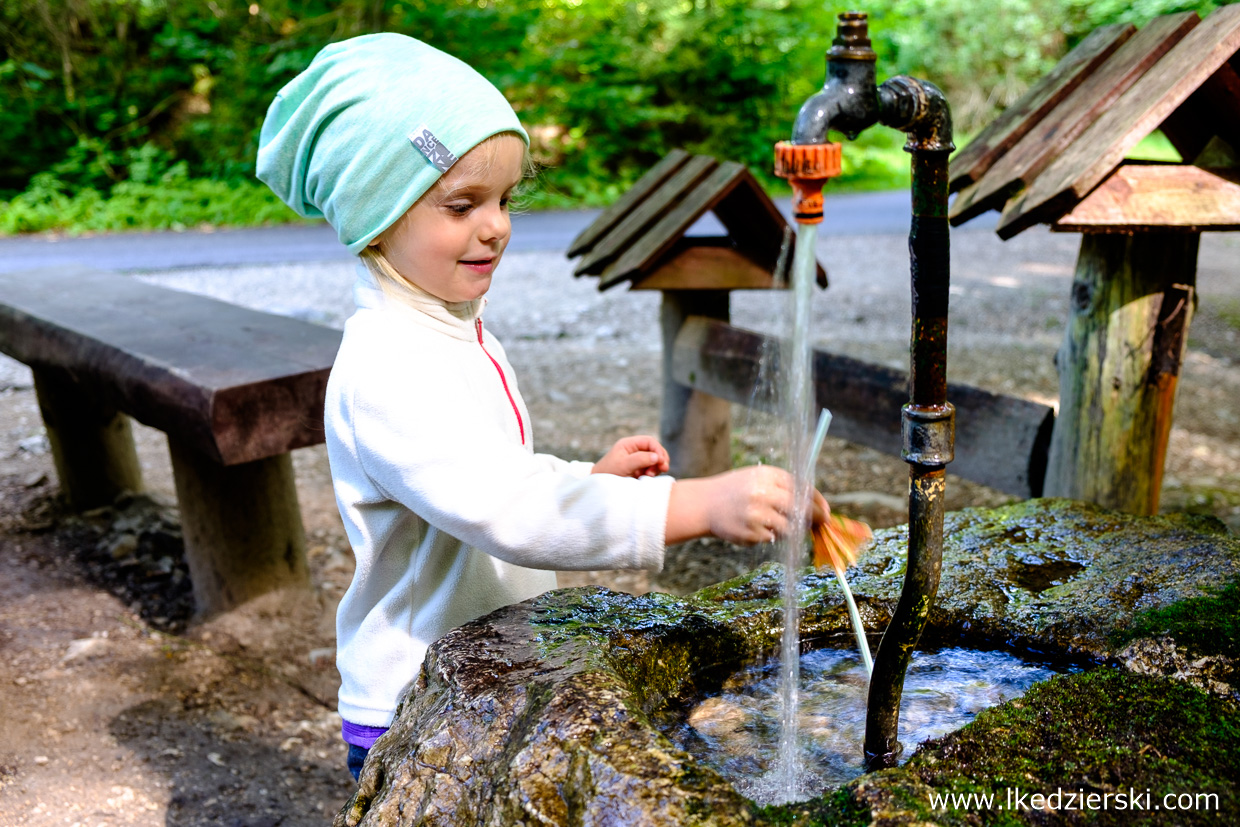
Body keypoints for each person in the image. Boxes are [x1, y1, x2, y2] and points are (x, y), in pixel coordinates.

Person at [256, 33, 827, 781]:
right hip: (416, 705)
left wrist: (587, 475)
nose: (494, 225)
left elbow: (489, 474)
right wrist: (688, 505)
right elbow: (507, 509)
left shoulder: (444, 327)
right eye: (461, 204)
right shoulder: (387, 369)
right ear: (373, 217)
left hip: (480, 677)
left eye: (503, 199)